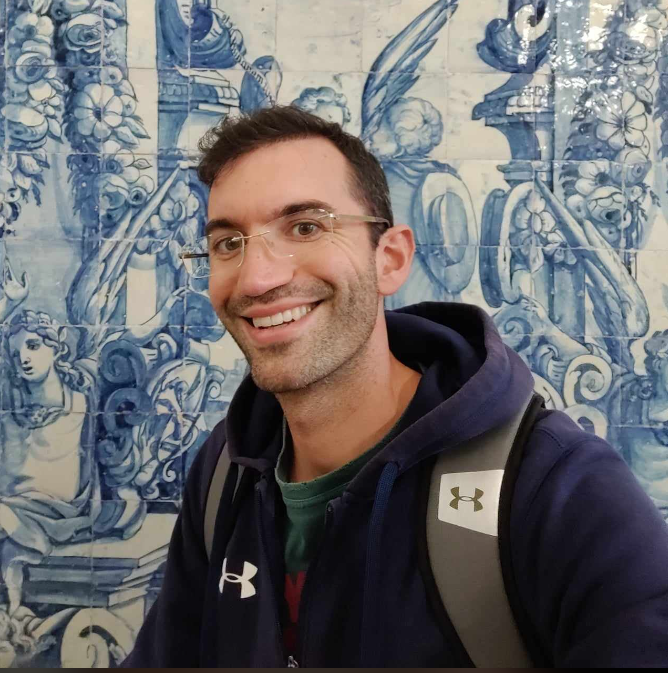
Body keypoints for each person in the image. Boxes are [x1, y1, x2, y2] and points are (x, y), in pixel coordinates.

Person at [121, 106, 668, 667]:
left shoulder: (556, 488)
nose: (257, 278)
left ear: (391, 258)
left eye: (306, 227)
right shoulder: (226, 470)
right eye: (228, 243)